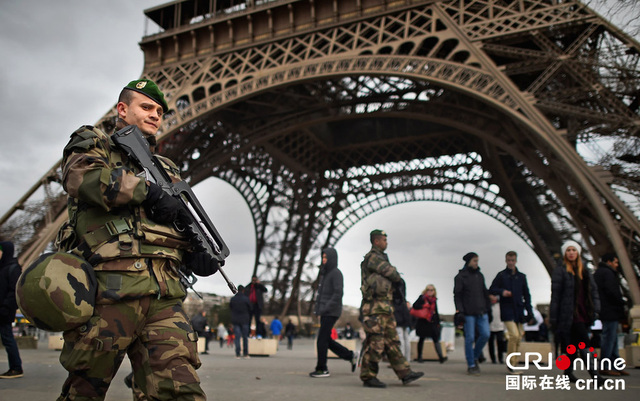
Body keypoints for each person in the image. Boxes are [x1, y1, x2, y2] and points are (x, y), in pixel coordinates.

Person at [56, 79, 220, 400]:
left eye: (160, 111)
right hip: (109, 293)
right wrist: (147, 190)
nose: (155, 115)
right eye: (146, 107)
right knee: (83, 394)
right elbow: (83, 178)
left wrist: (196, 250)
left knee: (180, 392)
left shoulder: (167, 168)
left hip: (164, 296)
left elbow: (177, 222)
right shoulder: (94, 143)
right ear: (122, 109)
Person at [359, 230, 423, 388]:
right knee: (376, 343)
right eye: (384, 240)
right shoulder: (373, 257)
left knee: (393, 342)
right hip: (374, 308)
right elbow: (391, 273)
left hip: (385, 308)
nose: (386, 242)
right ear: (376, 241)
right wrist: (397, 277)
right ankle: (368, 377)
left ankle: (405, 373)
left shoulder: (380, 258)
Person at [550, 240, 603, 384]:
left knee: (572, 345)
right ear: (565, 253)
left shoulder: (585, 271)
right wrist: (554, 318)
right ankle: (595, 376)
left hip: (584, 313)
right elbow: (555, 297)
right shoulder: (560, 271)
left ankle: (567, 373)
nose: (571, 252)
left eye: (573, 250)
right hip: (569, 315)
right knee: (584, 343)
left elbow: (593, 292)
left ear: (578, 252)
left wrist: (596, 309)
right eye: (568, 250)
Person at [309, 248, 359, 378]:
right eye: (323, 257)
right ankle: (350, 355)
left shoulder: (336, 273)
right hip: (326, 311)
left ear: (331, 258)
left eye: (326, 258)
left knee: (321, 340)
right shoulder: (325, 274)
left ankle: (322, 368)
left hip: (331, 311)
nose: (323, 260)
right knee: (326, 340)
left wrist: (325, 307)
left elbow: (338, 293)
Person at [489, 251, 534, 373]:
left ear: (516, 260)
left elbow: (527, 295)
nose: (511, 262)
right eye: (509, 260)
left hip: (518, 310)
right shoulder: (501, 275)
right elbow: (491, 289)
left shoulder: (521, 277)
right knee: (514, 335)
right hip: (507, 309)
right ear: (506, 260)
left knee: (519, 337)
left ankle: (514, 362)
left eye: (512, 260)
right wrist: (502, 292)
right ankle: (511, 364)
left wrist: (529, 312)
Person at [454, 252, 491, 376]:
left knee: (486, 334)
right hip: (468, 312)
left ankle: (474, 356)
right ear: (469, 261)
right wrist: (460, 311)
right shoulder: (460, 277)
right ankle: (471, 364)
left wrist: (488, 308)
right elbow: (457, 295)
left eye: (477, 261)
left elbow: (484, 292)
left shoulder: (479, 276)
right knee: (469, 338)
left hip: (481, 311)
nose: (476, 263)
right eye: (475, 261)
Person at [594, 253, 629, 376]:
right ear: (609, 262)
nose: (617, 265)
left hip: (606, 310)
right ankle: (605, 366)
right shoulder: (608, 273)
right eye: (615, 262)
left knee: (612, 339)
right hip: (610, 310)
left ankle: (616, 365)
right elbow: (612, 292)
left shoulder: (599, 273)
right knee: (609, 339)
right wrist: (621, 302)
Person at [0, 241, 23, 379]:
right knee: (7, 338)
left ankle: (16, 367)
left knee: (8, 339)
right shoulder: (3, 267)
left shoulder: (13, 268)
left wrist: (5, 308)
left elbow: (14, 291)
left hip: (4, 311)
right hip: (2, 309)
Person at [413, 284, 446, 363]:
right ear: (425, 290)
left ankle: (441, 357)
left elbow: (436, 312)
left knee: (436, 339)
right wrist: (424, 306)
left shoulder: (434, 300)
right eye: (428, 290)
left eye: (431, 290)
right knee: (422, 339)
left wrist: (438, 322)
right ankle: (419, 356)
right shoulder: (422, 298)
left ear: (434, 291)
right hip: (423, 322)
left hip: (432, 322)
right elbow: (415, 306)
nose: (430, 291)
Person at [393, 278, 412, 361]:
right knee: (405, 337)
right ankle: (406, 358)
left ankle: (402, 359)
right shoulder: (402, 284)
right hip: (404, 313)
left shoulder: (395, 295)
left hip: (398, 314)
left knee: (400, 338)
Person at [230, 285, 251, 359]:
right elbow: (250, 309)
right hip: (245, 319)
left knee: (237, 337)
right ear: (243, 290)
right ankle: (246, 353)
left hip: (236, 319)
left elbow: (231, 308)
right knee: (245, 337)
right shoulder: (246, 299)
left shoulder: (233, 299)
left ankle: (237, 353)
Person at [487, 295, 506, 364]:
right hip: (490, 326)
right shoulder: (488, 305)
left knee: (500, 342)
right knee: (491, 343)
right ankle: (493, 359)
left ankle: (500, 358)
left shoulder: (501, 305)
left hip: (500, 326)